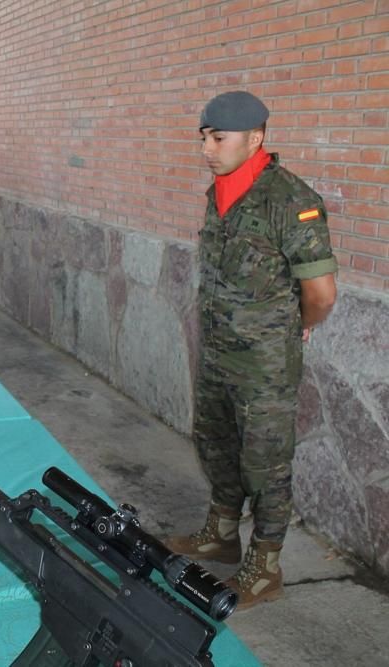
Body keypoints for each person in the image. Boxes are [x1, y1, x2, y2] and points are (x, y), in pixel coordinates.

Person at [162, 91, 338, 610]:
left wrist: (294, 328)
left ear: (255, 138)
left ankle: (265, 566)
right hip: (218, 353)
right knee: (214, 441)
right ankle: (220, 532)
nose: (207, 149)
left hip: (264, 362)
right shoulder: (219, 192)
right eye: (204, 138)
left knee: (265, 462)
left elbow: (322, 294)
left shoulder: (290, 200)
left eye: (218, 138)